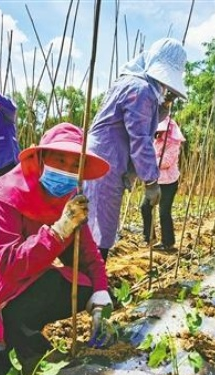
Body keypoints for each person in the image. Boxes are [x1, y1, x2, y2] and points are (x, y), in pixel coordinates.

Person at [0, 123, 113, 375]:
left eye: (75, 166)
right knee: (48, 283)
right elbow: (11, 264)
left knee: (82, 285)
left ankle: (23, 331)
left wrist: (100, 299)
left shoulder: (69, 201)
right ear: (40, 158)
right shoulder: (4, 196)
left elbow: (87, 254)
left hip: (18, 281)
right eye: (60, 160)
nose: (67, 171)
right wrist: (57, 231)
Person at [84, 38, 188, 261]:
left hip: (103, 157)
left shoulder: (132, 83)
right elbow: (140, 139)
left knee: (94, 220)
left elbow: (145, 120)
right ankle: (93, 282)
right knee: (102, 224)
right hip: (107, 162)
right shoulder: (141, 90)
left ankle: (90, 279)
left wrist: (164, 105)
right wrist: (151, 182)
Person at [141, 116, 185, 251]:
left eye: (161, 131)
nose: (158, 133)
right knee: (145, 207)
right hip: (155, 180)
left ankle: (168, 242)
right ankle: (149, 237)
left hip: (169, 182)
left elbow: (165, 162)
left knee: (164, 211)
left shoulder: (174, 144)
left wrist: (151, 159)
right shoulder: (156, 141)